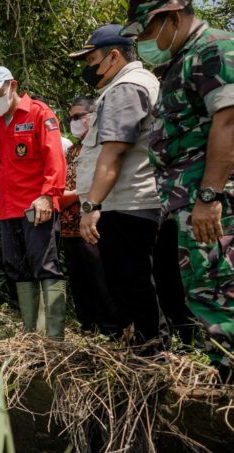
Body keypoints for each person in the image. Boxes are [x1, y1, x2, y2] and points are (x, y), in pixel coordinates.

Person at [122, 0, 234, 369]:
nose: (143, 41)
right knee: (200, 292)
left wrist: (209, 196)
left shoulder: (214, 49)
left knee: (217, 293)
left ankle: (225, 384)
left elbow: (229, 122)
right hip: (186, 202)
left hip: (211, 202)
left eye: (147, 31)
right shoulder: (179, 60)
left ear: (172, 16)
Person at [68, 24, 169, 351]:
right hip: (129, 203)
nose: (89, 68)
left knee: (132, 284)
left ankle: (151, 355)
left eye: (92, 59)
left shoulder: (126, 89)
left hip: (127, 205)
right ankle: (145, 350)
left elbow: (114, 152)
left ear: (113, 55)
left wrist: (90, 205)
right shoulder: (134, 85)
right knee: (133, 282)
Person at [0, 67, 67, 340]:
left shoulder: (38, 113)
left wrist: (48, 195)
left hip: (38, 208)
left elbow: (55, 158)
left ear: (13, 86)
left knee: (45, 265)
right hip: (8, 210)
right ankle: (31, 334)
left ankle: (54, 338)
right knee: (17, 268)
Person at [60, 96, 120, 334]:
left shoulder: (102, 147)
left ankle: (111, 329)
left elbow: (102, 180)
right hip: (68, 225)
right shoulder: (72, 150)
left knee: (101, 277)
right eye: (70, 118)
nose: (74, 122)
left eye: (78, 117)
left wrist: (76, 194)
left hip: (94, 224)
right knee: (79, 280)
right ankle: (88, 327)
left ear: (92, 116)